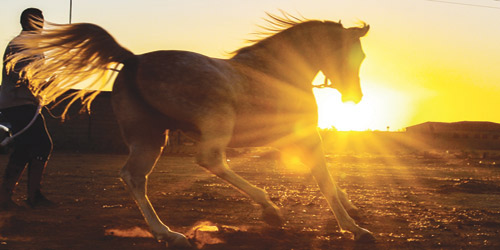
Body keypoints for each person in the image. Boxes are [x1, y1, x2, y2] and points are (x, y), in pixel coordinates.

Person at [0, 8, 53, 210]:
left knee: (25, 148)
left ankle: (11, 197)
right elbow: (15, 74)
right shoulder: (20, 45)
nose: (42, 24)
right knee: (42, 144)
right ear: (29, 22)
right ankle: (32, 196)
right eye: (39, 21)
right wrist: (36, 83)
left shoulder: (33, 47)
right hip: (18, 104)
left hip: (25, 103)